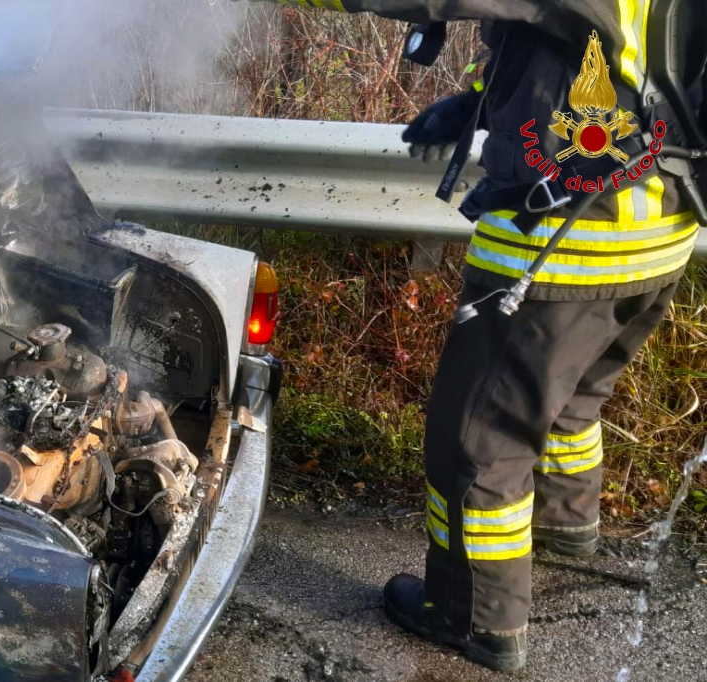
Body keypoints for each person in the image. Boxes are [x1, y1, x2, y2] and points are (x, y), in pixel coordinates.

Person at [249, 0, 707, 671]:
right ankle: (565, 524)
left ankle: (475, 617)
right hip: (659, 232)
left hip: (568, 247)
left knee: (477, 441)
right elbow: (587, 50)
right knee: (568, 401)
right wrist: (475, 102)